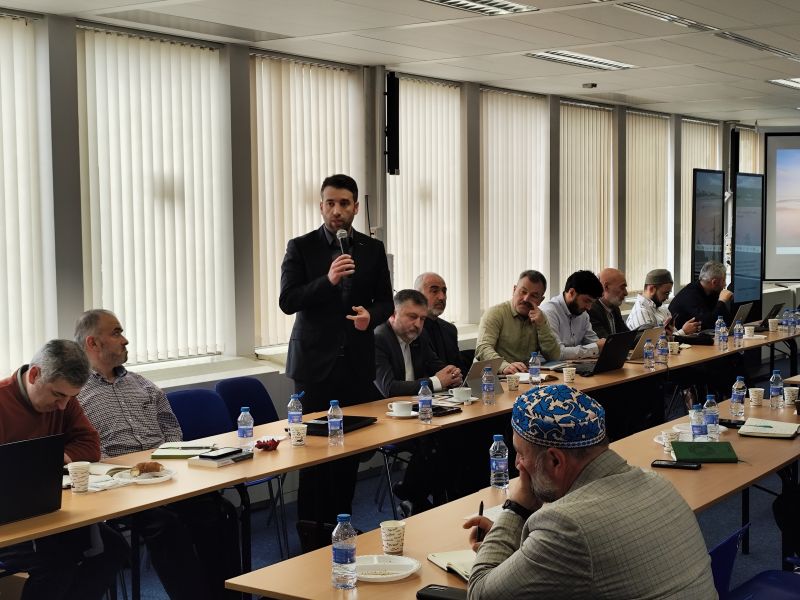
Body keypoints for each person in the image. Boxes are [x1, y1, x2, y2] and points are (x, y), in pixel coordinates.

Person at [462, 384, 717, 599]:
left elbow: (481, 593)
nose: (518, 464)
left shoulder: (567, 527)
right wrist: (517, 544)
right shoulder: (658, 482)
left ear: (555, 461)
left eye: (520, 454)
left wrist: (516, 509)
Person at [74, 309, 240, 600]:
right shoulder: (75, 394)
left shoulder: (143, 384)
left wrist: (166, 460)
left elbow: (171, 428)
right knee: (165, 526)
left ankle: (229, 596)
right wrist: (122, 471)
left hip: (165, 474)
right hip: (119, 486)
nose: (125, 340)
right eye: (116, 333)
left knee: (217, 510)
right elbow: (83, 449)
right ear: (93, 343)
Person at [279, 173, 393, 547]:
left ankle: (340, 529)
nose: (337, 210)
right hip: (314, 367)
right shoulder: (301, 247)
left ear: (356, 207)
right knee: (314, 455)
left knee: (348, 454)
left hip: (355, 365)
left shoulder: (372, 249)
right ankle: (310, 535)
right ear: (321, 206)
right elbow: (288, 301)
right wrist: (327, 280)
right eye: (330, 203)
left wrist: (370, 317)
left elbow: (386, 302)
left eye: (344, 203)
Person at [0, 340, 128, 600]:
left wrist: (53, 459)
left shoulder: (65, 399)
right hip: (10, 521)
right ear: (34, 375)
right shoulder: (3, 401)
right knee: (57, 565)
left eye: (71, 398)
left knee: (115, 549)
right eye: (58, 395)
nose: (62, 406)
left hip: (51, 511)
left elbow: (90, 445)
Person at [374, 289, 462, 398]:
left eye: (422, 319)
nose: (418, 324)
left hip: (415, 403)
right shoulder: (378, 338)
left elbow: (435, 365)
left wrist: (453, 375)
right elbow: (389, 388)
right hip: (380, 406)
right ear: (393, 315)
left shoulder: (420, 336)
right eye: (412, 317)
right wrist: (436, 382)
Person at [475, 270, 559, 374]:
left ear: (541, 300)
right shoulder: (495, 313)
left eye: (534, 296)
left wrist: (542, 325)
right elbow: (482, 348)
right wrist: (504, 366)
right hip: (496, 377)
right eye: (523, 292)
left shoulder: (540, 317)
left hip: (526, 376)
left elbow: (554, 357)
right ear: (514, 290)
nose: (526, 299)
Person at [540, 270, 605, 360]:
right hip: (546, 367)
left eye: (592, 303)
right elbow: (558, 353)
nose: (589, 308)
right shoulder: (549, 312)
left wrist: (602, 346)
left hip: (573, 366)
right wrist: (595, 347)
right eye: (586, 301)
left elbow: (596, 344)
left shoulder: (583, 315)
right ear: (571, 292)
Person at [415, 272, 470, 373]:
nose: (442, 297)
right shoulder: (412, 330)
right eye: (434, 291)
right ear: (418, 295)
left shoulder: (450, 329)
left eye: (444, 291)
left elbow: (460, 368)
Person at [627, 268, 701, 335]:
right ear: (651, 289)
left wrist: (686, 332)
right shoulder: (641, 312)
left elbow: (671, 335)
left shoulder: (662, 308)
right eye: (666, 293)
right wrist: (683, 332)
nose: (667, 297)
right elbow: (650, 343)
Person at [668, 261, 733, 331]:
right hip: (677, 336)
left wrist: (723, 303)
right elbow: (710, 323)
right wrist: (722, 301)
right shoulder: (690, 295)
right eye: (723, 280)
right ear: (714, 282)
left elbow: (727, 321)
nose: (725, 284)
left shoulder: (712, 292)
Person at [587, 268, 630, 339]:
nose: (626, 293)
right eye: (622, 288)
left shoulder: (615, 309)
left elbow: (628, 336)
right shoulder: (591, 310)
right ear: (606, 287)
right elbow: (607, 342)